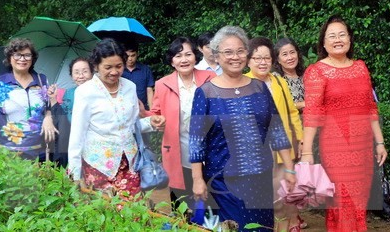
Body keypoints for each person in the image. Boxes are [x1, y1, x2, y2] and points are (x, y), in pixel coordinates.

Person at [190, 26, 296, 232]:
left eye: (240, 51)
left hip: (260, 179)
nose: (235, 57)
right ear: (217, 56)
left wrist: (290, 168)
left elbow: (277, 129)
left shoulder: (259, 87)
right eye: (228, 52)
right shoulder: (206, 92)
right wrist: (197, 179)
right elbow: (196, 140)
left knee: (262, 228)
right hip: (223, 183)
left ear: (247, 54)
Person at [300, 16, 388, 232]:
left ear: (349, 39)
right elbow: (312, 113)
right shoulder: (317, 71)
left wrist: (380, 142)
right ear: (323, 42)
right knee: (342, 200)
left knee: (358, 202)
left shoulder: (361, 67)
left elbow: (370, 107)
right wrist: (307, 152)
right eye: (332, 36)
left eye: (342, 34)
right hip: (336, 147)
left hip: (362, 147)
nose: (337, 39)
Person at [67, 38, 165, 197]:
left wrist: (151, 122)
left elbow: (133, 125)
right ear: (96, 66)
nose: (114, 72)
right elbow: (77, 134)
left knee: (133, 213)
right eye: (108, 67)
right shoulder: (85, 92)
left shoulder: (130, 87)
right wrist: (75, 174)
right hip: (98, 165)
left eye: (119, 66)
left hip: (129, 162)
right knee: (104, 215)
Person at [149, 37, 216, 211]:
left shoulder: (210, 78)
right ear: (172, 61)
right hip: (177, 151)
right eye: (178, 56)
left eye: (188, 54)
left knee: (210, 203)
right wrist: (155, 120)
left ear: (196, 57)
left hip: (210, 150)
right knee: (181, 203)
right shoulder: (162, 84)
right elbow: (156, 114)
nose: (184, 59)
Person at [245, 37, 305, 232]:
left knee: (286, 191)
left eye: (267, 58)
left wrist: (301, 137)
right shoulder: (244, 83)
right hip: (257, 151)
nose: (263, 62)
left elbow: (292, 112)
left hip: (284, 147)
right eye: (257, 58)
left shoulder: (278, 81)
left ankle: (290, 224)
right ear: (248, 61)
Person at [0, 38, 58, 160]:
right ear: (10, 58)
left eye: (27, 55)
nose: (22, 59)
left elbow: (48, 106)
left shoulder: (42, 80)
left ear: (32, 59)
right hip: (10, 150)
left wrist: (48, 117)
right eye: (17, 55)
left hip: (41, 149)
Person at [47, 57, 93, 167]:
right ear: (72, 76)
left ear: (92, 73)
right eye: (76, 72)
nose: (81, 76)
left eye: (85, 71)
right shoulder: (69, 93)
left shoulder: (99, 93)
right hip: (71, 141)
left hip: (92, 142)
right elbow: (63, 118)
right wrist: (53, 99)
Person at [274, 38, 306, 112]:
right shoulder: (275, 79)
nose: (290, 57)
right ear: (278, 60)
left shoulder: (306, 75)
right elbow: (277, 106)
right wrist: (301, 104)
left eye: (292, 52)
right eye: (285, 54)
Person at [121, 41, 155, 111]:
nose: (130, 59)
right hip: (124, 109)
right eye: (127, 56)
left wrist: (152, 111)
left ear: (137, 54)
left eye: (133, 55)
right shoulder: (119, 71)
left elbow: (149, 91)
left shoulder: (145, 69)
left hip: (143, 109)